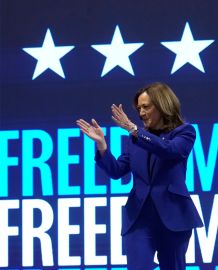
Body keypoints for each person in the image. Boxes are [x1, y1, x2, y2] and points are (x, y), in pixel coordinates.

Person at [76, 82, 203, 270]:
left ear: (163, 105)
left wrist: (134, 130)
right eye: (139, 108)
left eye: (146, 107)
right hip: (139, 219)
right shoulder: (135, 138)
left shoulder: (184, 132)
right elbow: (117, 170)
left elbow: (169, 150)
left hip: (174, 218)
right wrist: (102, 145)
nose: (141, 112)